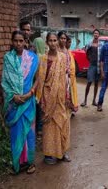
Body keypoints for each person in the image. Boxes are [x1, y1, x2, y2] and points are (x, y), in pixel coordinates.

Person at [1, 31, 39, 174]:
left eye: (21, 40)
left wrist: (31, 92)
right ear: (12, 41)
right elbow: (4, 82)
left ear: (25, 42)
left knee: (29, 132)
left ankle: (30, 163)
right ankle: (17, 164)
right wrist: (13, 96)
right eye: (15, 40)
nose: (18, 43)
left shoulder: (33, 58)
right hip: (14, 104)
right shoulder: (8, 58)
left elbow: (38, 79)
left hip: (28, 102)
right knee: (16, 134)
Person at [36, 32, 72, 165]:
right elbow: (40, 80)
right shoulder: (43, 59)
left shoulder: (63, 57)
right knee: (50, 126)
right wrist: (41, 98)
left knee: (62, 122)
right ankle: (49, 154)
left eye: (54, 40)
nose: (53, 43)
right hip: (47, 96)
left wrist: (67, 96)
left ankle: (62, 152)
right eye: (50, 40)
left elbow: (65, 78)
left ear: (57, 42)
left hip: (61, 96)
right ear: (47, 42)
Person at [57, 31, 79, 117]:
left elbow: (69, 64)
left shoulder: (67, 51)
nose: (63, 40)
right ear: (58, 39)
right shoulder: (56, 50)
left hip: (67, 78)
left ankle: (66, 113)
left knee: (67, 95)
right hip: (57, 78)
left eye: (64, 39)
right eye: (61, 38)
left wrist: (69, 72)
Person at [81, 29, 102, 107]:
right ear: (93, 34)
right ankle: (85, 100)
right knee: (89, 82)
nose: (96, 34)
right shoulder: (89, 43)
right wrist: (89, 58)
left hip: (98, 66)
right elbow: (85, 51)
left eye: (97, 33)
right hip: (92, 65)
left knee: (96, 83)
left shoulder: (101, 44)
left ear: (99, 35)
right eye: (95, 33)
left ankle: (94, 101)